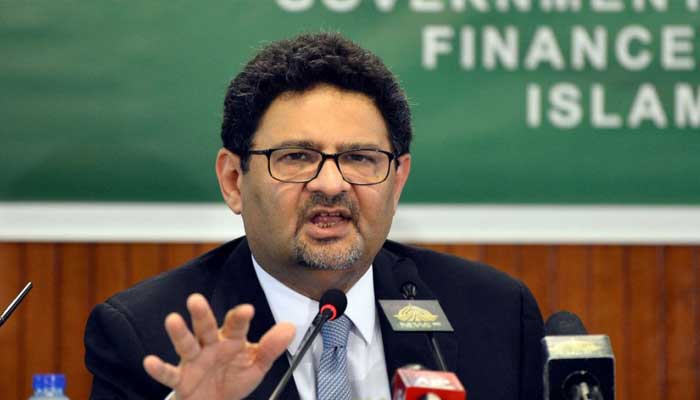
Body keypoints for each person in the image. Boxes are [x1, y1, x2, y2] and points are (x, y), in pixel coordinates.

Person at [84, 32, 543, 400]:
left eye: (360, 158)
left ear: (397, 179)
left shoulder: (494, 312)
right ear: (233, 180)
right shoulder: (143, 336)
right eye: (297, 157)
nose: (331, 184)